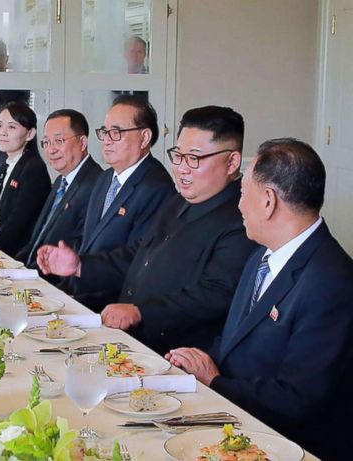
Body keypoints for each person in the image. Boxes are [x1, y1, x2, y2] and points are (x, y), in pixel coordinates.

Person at [167, 138, 353, 460]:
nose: (238, 205)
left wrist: (214, 380)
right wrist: (193, 360)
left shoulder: (332, 281)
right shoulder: (262, 256)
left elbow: (299, 399)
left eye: (242, 193)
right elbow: (233, 340)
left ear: (268, 201)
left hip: (286, 444)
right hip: (235, 420)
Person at [38, 106, 257, 353]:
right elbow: (138, 255)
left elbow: (213, 295)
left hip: (174, 354)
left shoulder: (241, 220)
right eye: (178, 155)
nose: (182, 168)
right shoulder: (179, 201)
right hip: (129, 340)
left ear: (232, 162)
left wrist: (141, 312)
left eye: (194, 158)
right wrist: (81, 266)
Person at [62, 95, 175, 310]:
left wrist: (81, 270)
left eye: (116, 133)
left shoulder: (156, 187)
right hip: (80, 293)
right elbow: (89, 242)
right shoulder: (105, 178)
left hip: (114, 306)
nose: (106, 140)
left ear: (144, 138)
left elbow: (137, 260)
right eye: (104, 132)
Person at [15, 109, 102, 272]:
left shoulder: (96, 184)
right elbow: (38, 239)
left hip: (58, 282)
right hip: (31, 272)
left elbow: (82, 249)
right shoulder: (61, 180)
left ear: (83, 143)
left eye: (59, 141)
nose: (51, 150)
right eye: (46, 143)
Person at [0, 102, 51, 256]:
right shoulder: (4, 166)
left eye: (11, 127)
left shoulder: (34, 169)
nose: (3, 133)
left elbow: (17, 225)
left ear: (30, 134)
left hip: (17, 254)